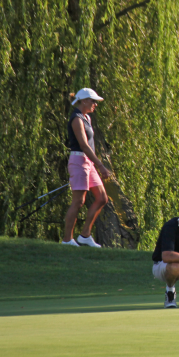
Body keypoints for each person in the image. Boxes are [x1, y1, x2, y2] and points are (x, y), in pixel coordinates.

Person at [62, 88, 111, 247]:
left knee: (102, 198)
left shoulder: (86, 118)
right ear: (83, 101)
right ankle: (67, 240)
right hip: (78, 161)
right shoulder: (76, 119)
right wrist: (101, 166)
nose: (95, 104)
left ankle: (85, 235)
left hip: (88, 163)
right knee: (78, 201)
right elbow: (83, 145)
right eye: (92, 101)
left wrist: (95, 164)